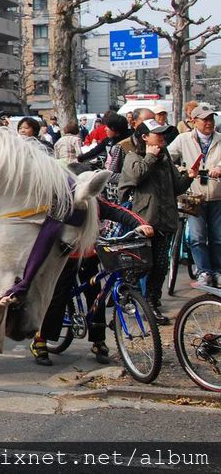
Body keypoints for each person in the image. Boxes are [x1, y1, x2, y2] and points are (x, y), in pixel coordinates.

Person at [31, 168, 154, 366]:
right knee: (57, 298)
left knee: (96, 296)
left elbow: (120, 212)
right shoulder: (63, 203)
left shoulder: (98, 203)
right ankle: (40, 340)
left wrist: (141, 225)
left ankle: (98, 341)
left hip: (90, 255)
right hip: (65, 257)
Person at [119, 120, 194, 324]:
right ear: (145, 137)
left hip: (166, 221)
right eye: (157, 134)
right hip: (144, 221)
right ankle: (129, 298)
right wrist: (151, 156)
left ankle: (152, 304)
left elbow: (177, 186)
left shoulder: (166, 156)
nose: (162, 137)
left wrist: (189, 177)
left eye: (164, 134)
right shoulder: (133, 156)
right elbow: (135, 177)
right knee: (142, 265)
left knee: (161, 267)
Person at [168, 105, 221, 287]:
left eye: (211, 119)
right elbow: (167, 158)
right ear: (194, 121)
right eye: (204, 119)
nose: (209, 123)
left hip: (217, 195)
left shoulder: (220, 139)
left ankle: (218, 271)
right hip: (192, 195)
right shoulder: (183, 139)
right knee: (197, 237)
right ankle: (204, 271)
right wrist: (182, 171)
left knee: (218, 237)